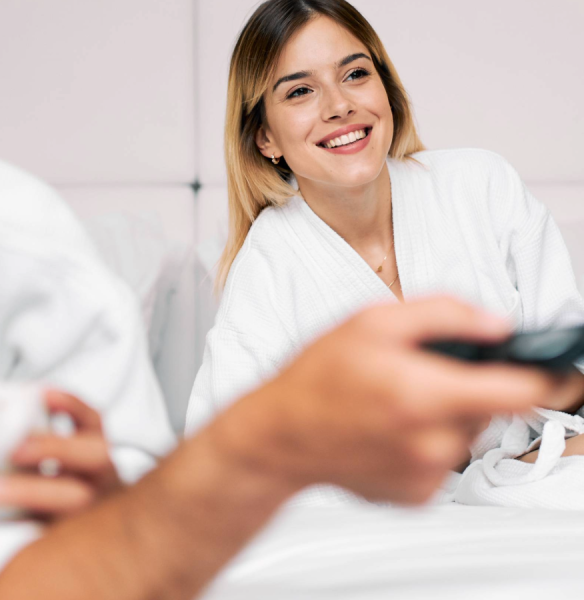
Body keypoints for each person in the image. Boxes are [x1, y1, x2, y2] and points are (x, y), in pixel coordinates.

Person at [0, 1, 572, 599]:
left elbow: (129, 521)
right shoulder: (271, 269)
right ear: (264, 135)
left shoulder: (21, 254)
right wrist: (275, 443)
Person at [184, 0, 584, 507]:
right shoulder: (266, 273)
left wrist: (505, 379)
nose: (339, 105)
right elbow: (220, 474)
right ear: (265, 137)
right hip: (386, 517)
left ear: (386, 91)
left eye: (355, 74)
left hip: (544, 470)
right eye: (301, 91)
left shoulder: (481, 186)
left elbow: (576, 387)